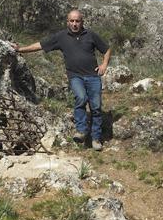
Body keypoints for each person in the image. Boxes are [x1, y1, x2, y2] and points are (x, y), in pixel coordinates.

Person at [12, 9, 111, 151]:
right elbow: (41, 45)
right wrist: (20, 49)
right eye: (72, 21)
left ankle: (96, 138)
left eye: (77, 21)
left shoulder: (90, 35)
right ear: (67, 22)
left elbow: (106, 49)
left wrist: (104, 64)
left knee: (95, 107)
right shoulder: (61, 37)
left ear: (82, 22)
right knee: (81, 97)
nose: (75, 24)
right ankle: (81, 131)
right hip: (75, 76)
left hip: (93, 76)